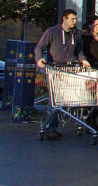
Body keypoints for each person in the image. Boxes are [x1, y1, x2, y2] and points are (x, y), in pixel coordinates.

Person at [35, 9, 90, 139]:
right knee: (55, 100)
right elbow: (39, 47)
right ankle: (50, 128)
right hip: (55, 68)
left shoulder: (76, 34)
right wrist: (39, 59)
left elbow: (79, 50)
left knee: (66, 98)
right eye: (72, 19)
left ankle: (53, 125)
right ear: (64, 19)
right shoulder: (52, 32)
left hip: (70, 69)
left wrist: (83, 60)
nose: (75, 22)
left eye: (76, 19)